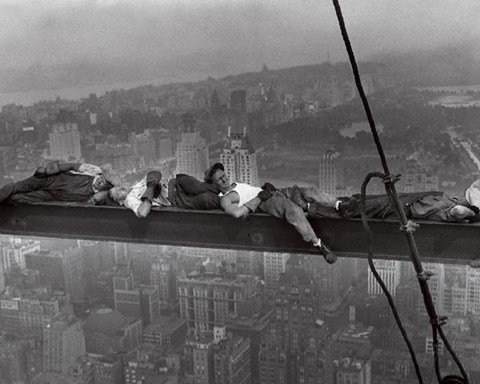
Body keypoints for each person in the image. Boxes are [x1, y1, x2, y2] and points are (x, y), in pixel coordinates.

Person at [204, 163, 338, 264]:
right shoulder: (225, 199)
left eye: (224, 175)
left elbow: (250, 191)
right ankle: (318, 244)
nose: (224, 179)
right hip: (265, 202)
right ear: (214, 185)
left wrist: (264, 188)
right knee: (293, 210)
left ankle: (338, 205)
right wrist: (260, 198)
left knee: (308, 192)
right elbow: (237, 213)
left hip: (274, 192)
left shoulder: (236, 183)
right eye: (219, 180)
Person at [0, 161, 125, 205]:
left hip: (51, 196)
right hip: (49, 179)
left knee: (17, 198)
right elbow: (69, 165)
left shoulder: (99, 195)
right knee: (14, 187)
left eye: (105, 182)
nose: (101, 180)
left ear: (108, 187)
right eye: (103, 177)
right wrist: (47, 169)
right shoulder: (93, 170)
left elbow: (104, 199)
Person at [122, 170, 221, 217]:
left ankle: (228, 190)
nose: (120, 188)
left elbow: (155, 173)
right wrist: (150, 193)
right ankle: (230, 200)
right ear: (119, 201)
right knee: (206, 199)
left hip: (177, 182)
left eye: (118, 187)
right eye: (118, 192)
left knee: (199, 188)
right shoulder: (130, 200)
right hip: (176, 199)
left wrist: (152, 184)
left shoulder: (137, 184)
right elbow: (143, 213)